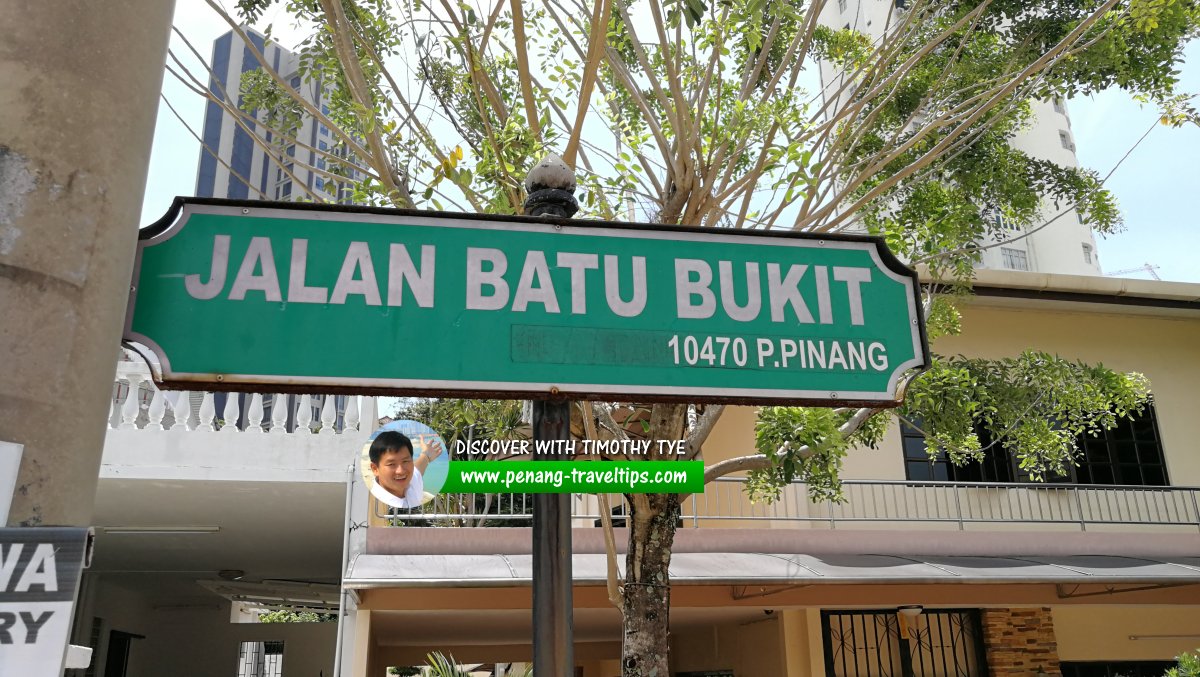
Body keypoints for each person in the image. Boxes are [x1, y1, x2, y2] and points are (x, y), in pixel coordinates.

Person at [368, 430, 443, 509]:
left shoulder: (411, 483)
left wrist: (426, 454)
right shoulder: (374, 506)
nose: (401, 471)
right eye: (391, 464)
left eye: (405, 461)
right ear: (375, 469)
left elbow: (418, 469)